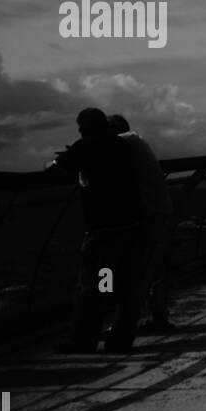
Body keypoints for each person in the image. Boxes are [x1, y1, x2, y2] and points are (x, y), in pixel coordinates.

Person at [47, 108, 145, 353]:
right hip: (131, 224)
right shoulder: (122, 146)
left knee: (92, 285)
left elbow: (56, 169)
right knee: (126, 284)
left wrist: (62, 159)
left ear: (84, 127)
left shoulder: (86, 146)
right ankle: (121, 338)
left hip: (103, 228)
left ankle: (83, 339)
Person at [108, 114, 176, 332]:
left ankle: (122, 324)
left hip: (149, 215)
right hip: (158, 211)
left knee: (137, 269)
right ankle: (158, 317)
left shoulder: (124, 144)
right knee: (153, 267)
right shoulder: (136, 143)